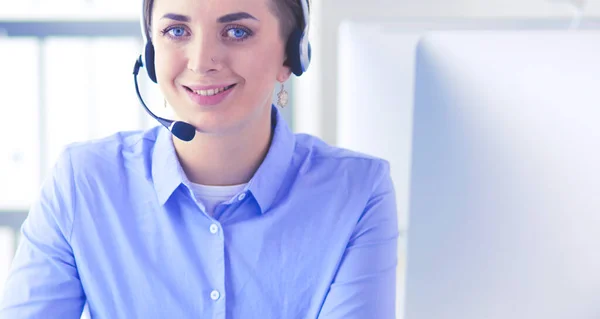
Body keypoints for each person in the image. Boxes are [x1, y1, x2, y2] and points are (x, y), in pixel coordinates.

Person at [0, 0, 399, 317]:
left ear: (291, 55)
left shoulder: (358, 192)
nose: (201, 60)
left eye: (237, 31)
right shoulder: (84, 182)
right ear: (151, 53)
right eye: (177, 31)